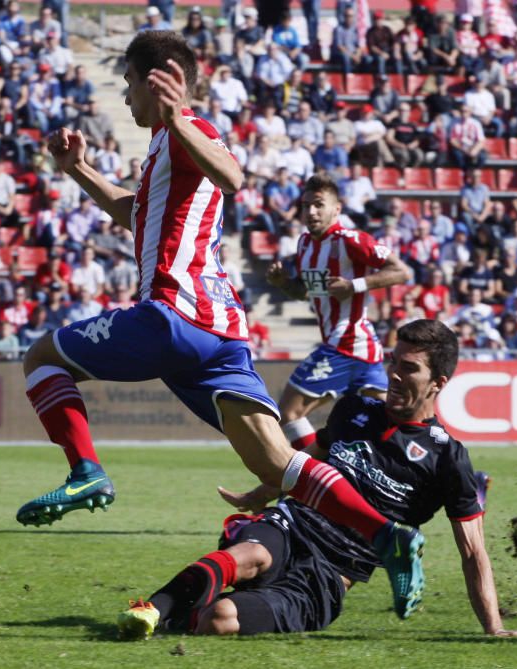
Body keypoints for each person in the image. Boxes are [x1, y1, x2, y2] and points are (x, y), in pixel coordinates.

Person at [22, 31, 426, 618]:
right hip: (218, 331)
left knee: (41, 357)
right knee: (273, 461)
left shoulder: (192, 129)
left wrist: (180, 114)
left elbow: (233, 177)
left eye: (131, 83)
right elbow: (131, 211)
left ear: (157, 79)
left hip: (172, 313)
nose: (126, 96)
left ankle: (85, 471)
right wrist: (78, 168)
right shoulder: (166, 147)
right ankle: (389, 536)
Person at [118, 320, 517, 639]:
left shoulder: (448, 458)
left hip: (328, 577)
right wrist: (263, 493)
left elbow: (473, 552)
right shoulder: (353, 410)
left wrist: (493, 626)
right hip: (293, 525)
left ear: (439, 383)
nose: (395, 375)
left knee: (219, 618)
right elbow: (308, 463)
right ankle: (150, 610)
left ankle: (185, 614)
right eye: (393, 363)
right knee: (249, 557)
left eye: (409, 368)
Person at [265, 173, 411, 452]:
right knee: (394, 423)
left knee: (290, 413)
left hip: (345, 343)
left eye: (319, 204)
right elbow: (306, 292)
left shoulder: (351, 240)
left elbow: (401, 271)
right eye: (306, 205)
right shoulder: (305, 244)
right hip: (359, 349)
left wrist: (354, 285)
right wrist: (282, 283)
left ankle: (311, 485)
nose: (311, 212)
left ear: (337, 209)